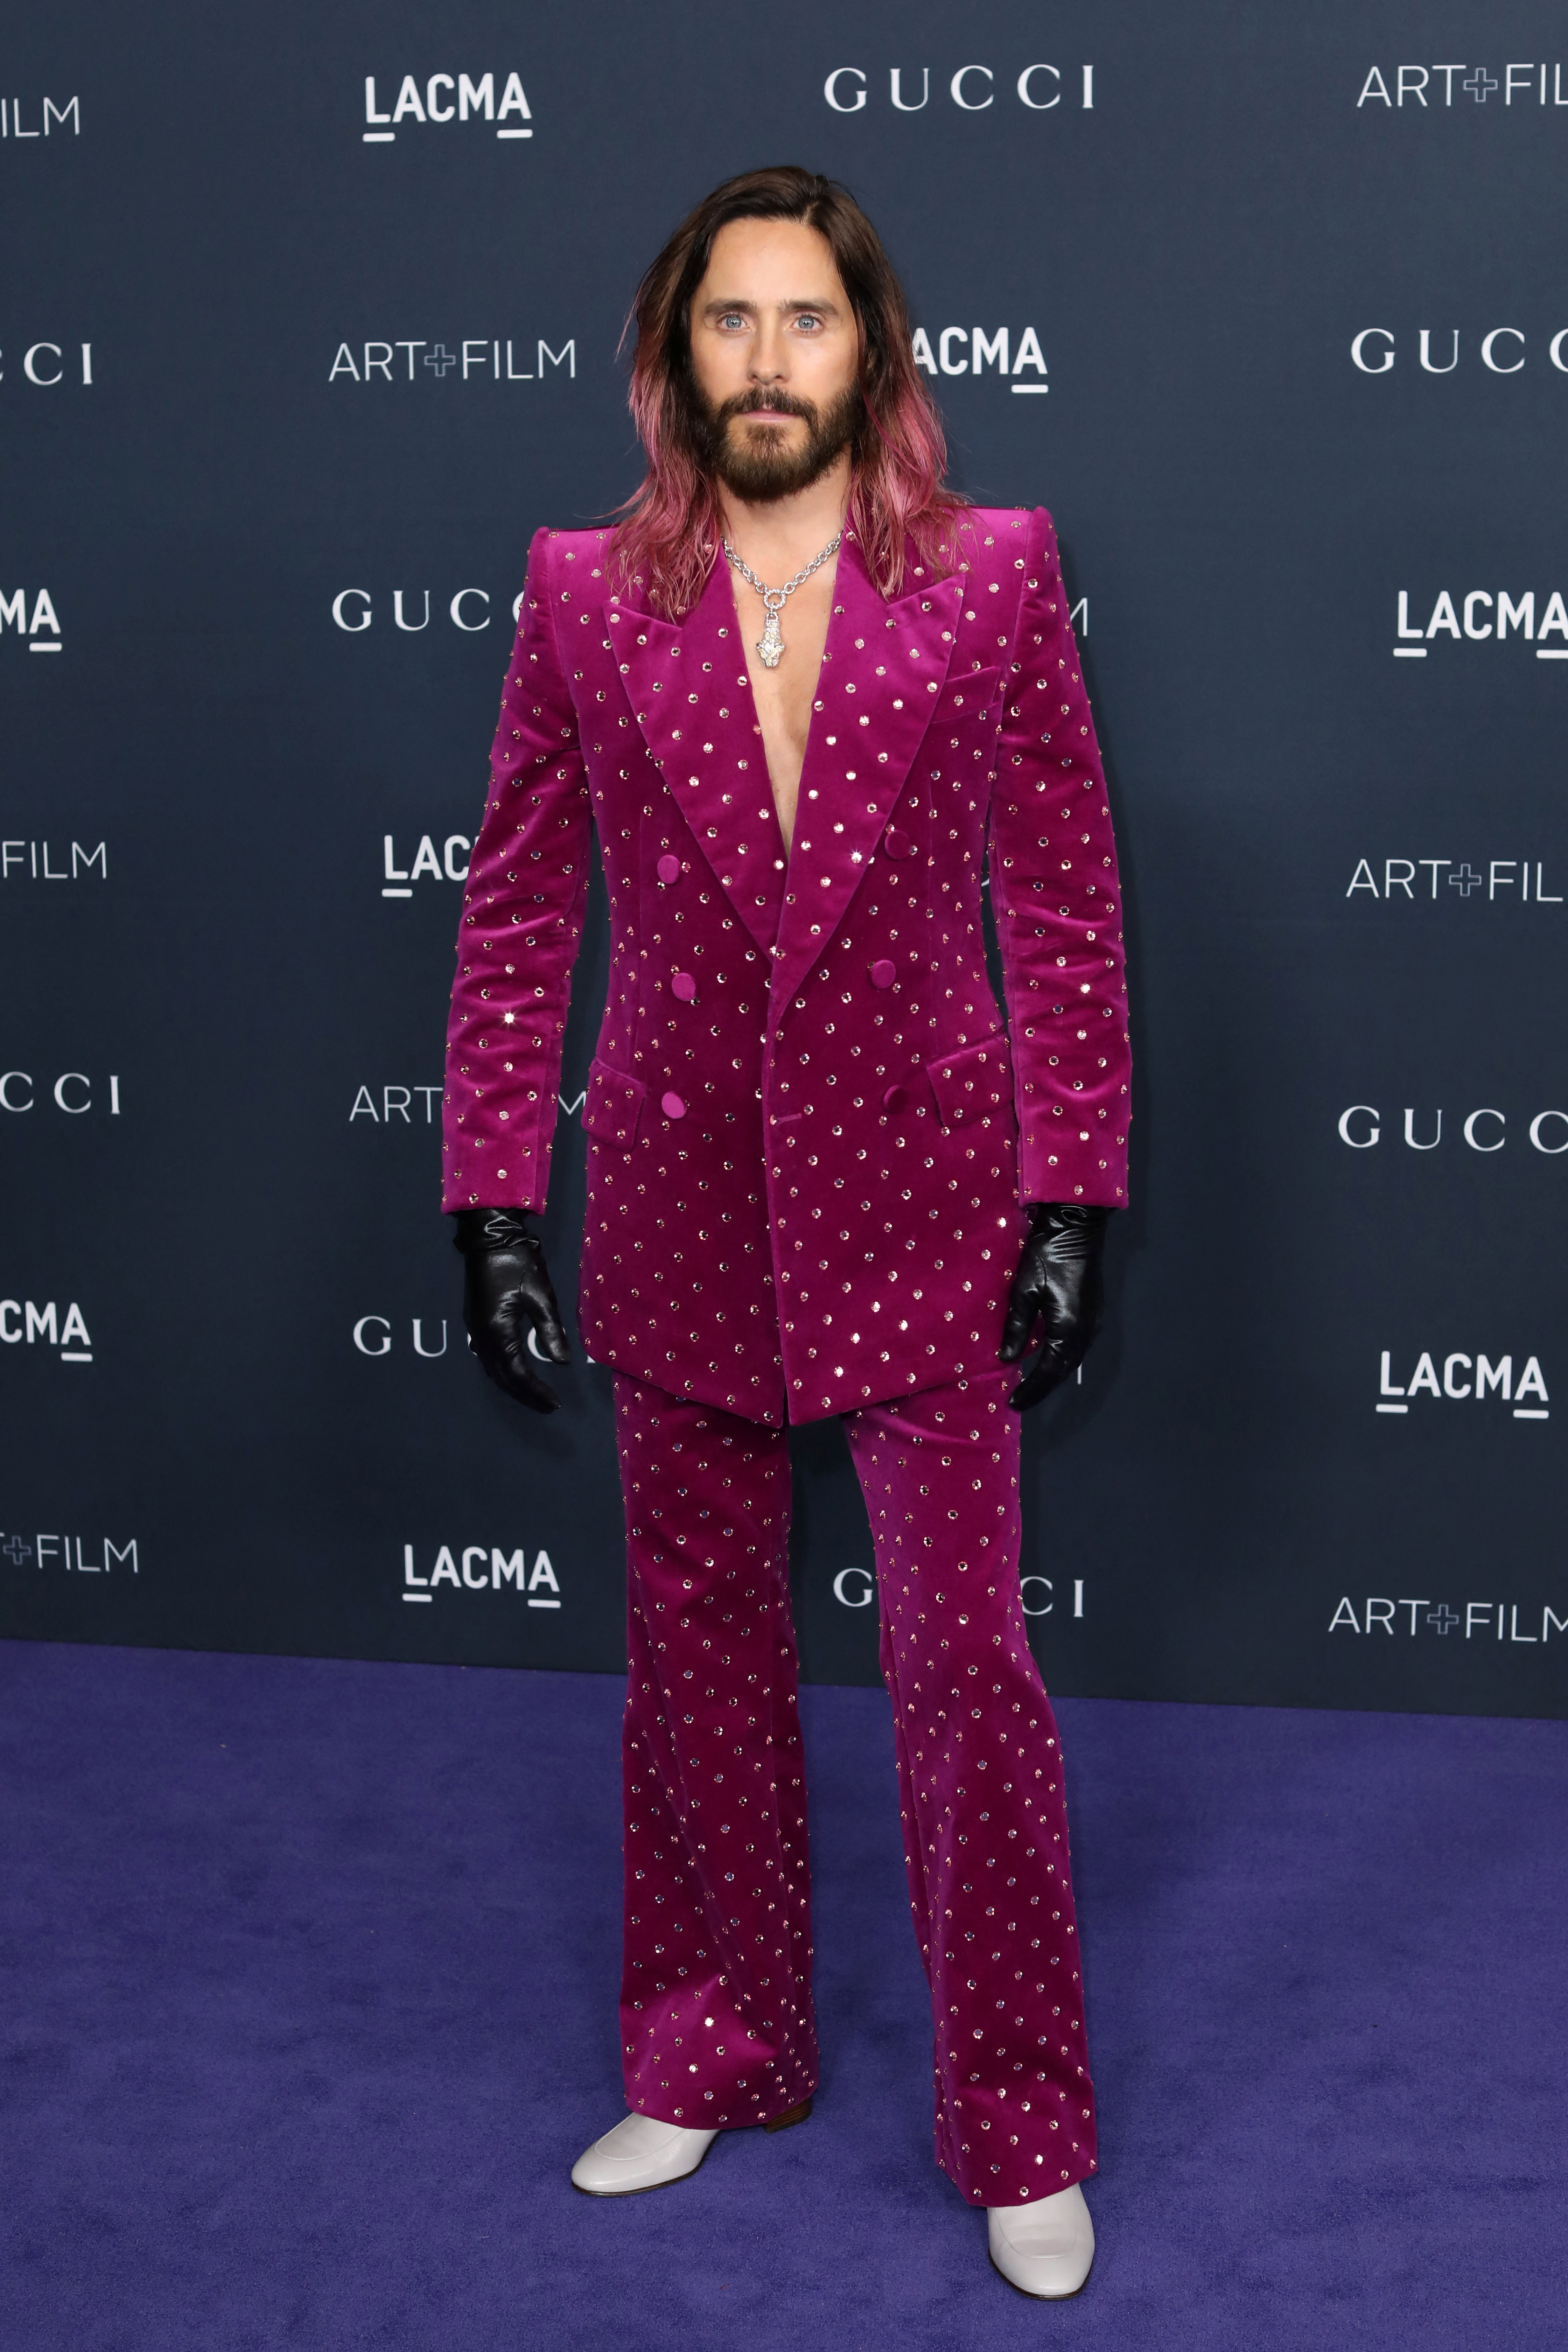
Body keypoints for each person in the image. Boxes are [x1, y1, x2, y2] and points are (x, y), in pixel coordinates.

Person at [440, 166, 1130, 2300]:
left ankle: (1019, 2117)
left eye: (804, 319)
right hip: (670, 1202)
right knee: (701, 1667)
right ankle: (713, 2047)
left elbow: (1070, 906)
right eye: (727, 322)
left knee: (964, 1676)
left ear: (872, 350)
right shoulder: (578, 592)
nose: (765, 360)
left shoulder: (996, 579)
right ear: (674, 362)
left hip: (927, 1197)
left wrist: (1074, 1187)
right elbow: (520, 907)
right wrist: (489, 1188)